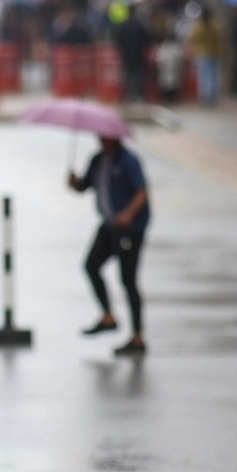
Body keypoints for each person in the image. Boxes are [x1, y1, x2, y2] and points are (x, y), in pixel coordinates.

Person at [68, 133, 150, 356]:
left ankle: (138, 336)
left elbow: (142, 192)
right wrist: (75, 183)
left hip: (129, 229)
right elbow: (85, 185)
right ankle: (108, 316)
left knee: (128, 280)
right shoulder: (98, 160)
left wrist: (129, 214)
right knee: (91, 265)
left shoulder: (128, 161)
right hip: (109, 225)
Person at [114, 6, 152, 103]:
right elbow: (147, 39)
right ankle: (139, 96)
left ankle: (126, 96)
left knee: (126, 75)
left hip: (126, 54)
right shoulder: (139, 25)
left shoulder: (123, 25)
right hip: (138, 53)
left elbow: (118, 40)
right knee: (138, 75)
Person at [188, 8, 221, 106]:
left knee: (204, 76)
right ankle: (211, 96)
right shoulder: (215, 25)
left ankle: (206, 97)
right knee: (212, 76)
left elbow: (193, 38)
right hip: (213, 52)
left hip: (203, 53)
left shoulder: (198, 26)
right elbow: (220, 36)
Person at [154, 30, 185, 105]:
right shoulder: (176, 48)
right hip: (172, 70)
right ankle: (171, 99)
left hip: (166, 70)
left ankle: (167, 99)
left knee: (167, 84)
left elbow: (159, 59)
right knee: (172, 84)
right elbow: (180, 59)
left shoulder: (162, 47)